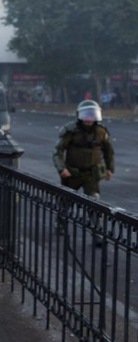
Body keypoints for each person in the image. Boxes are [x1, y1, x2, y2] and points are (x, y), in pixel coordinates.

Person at [53, 100, 114, 243]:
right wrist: (62, 169)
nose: (89, 119)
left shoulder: (101, 132)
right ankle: (60, 224)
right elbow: (58, 151)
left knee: (94, 202)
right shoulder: (71, 131)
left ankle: (97, 233)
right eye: (86, 115)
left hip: (91, 174)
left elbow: (108, 151)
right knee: (65, 201)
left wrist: (110, 169)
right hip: (72, 173)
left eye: (92, 115)